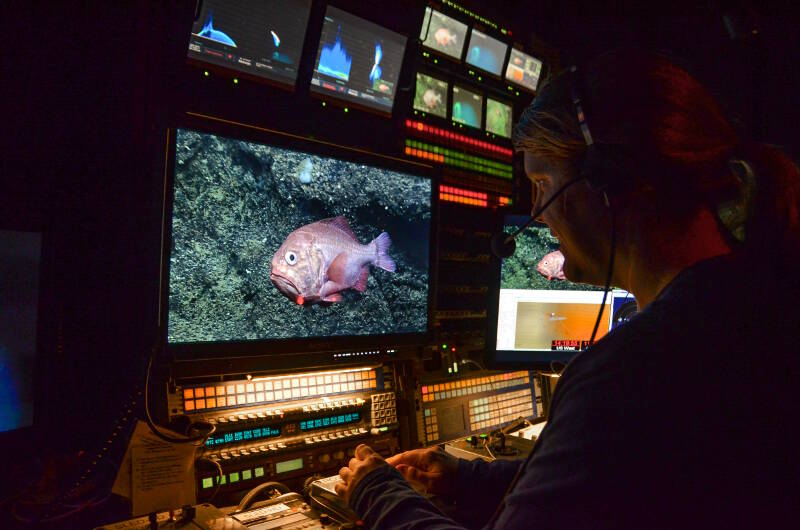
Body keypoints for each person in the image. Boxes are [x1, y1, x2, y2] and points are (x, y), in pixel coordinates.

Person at [334, 50, 800, 529]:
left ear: (608, 179)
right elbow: (630, 479)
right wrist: (469, 479)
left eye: (542, 182)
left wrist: (376, 492)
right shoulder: (759, 306)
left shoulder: (630, 372)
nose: (538, 212)